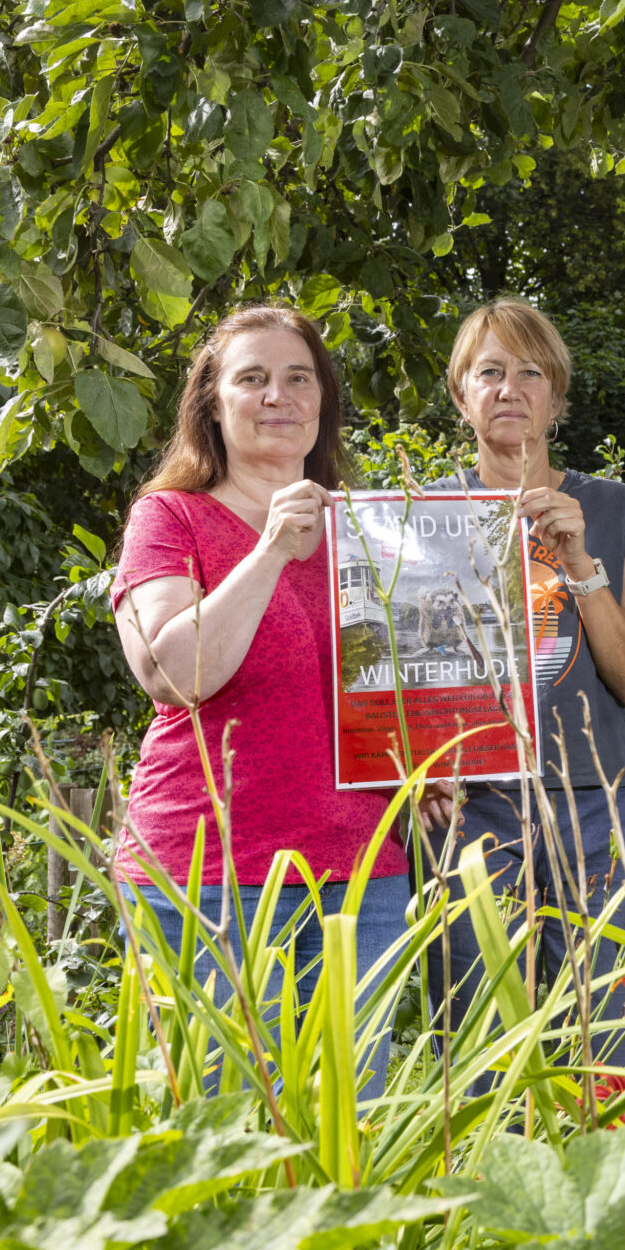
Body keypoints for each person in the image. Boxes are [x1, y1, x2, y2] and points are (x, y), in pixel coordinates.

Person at [110, 305, 412, 1092]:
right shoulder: (169, 517)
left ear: (323, 402)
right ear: (212, 402)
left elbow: (380, 688)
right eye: (252, 379)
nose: (278, 396)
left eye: (298, 378)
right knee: (226, 1136)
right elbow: (174, 674)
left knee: (353, 1125)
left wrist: (427, 757)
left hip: (362, 873)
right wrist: (273, 548)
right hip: (208, 878)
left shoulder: (370, 534)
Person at [423, 299, 625, 1036]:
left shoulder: (614, 507)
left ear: (554, 397)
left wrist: (581, 561)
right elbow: (390, 676)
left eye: (530, 373)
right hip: (471, 807)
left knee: (618, 1030)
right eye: (488, 371)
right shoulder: (418, 516)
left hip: (599, 799)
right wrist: (414, 769)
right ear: (461, 394)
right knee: (481, 1039)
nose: (509, 389)